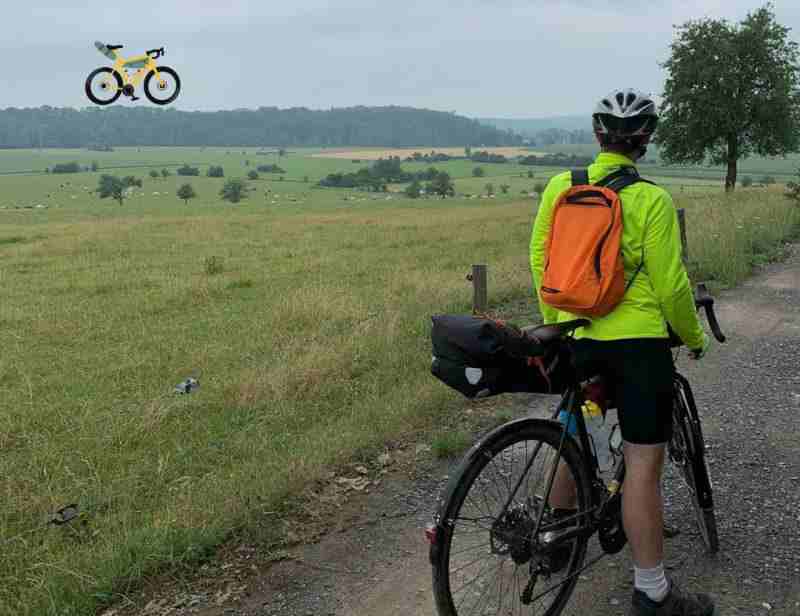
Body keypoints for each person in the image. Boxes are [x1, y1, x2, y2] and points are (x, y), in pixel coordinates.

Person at [529, 88, 714, 616]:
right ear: (645, 140)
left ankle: (555, 539)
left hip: (575, 337)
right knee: (641, 466)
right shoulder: (651, 199)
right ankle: (653, 591)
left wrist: (561, 323)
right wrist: (694, 339)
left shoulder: (561, 187)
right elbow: (671, 287)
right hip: (637, 348)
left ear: (597, 136)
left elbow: (541, 261)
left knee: (573, 429)